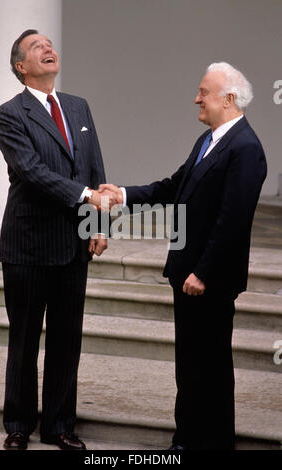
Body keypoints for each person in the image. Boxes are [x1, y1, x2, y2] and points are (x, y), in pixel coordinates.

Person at [98, 62, 267, 450]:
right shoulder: (209, 140)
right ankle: (187, 439)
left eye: (203, 92)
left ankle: (213, 441)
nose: (196, 98)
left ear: (228, 98)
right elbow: (174, 187)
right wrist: (122, 194)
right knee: (190, 366)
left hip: (208, 280)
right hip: (186, 274)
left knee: (211, 368)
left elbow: (233, 220)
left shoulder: (246, 148)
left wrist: (204, 272)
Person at [0, 29, 108, 450]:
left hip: (72, 246)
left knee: (66, 339)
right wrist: (84, 196)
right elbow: (32, 171)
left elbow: (94, 167)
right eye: (37, 47)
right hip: (27, 245)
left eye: (50, 45)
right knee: (24, 339)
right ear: (21, 67)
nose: (48, 49)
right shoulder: (9, 114)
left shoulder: (78, 106)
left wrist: (98, 225)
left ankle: (60, 425)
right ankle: (19, 425)